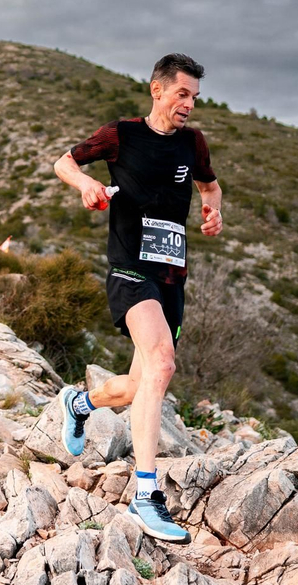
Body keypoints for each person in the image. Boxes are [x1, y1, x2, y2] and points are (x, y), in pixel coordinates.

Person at [52, 53, 222, 542]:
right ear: (157, 90)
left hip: (172, 278)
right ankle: (145, 497)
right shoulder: (122, 134)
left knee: (134, 386)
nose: (188, 104)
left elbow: (210, 187)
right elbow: (63, 161)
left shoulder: (194, 144)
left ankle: (80, 403)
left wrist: (213, 212)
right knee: (163, 364)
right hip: (130, 270)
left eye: (194, 97)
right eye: (182, 94)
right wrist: (86, 182)